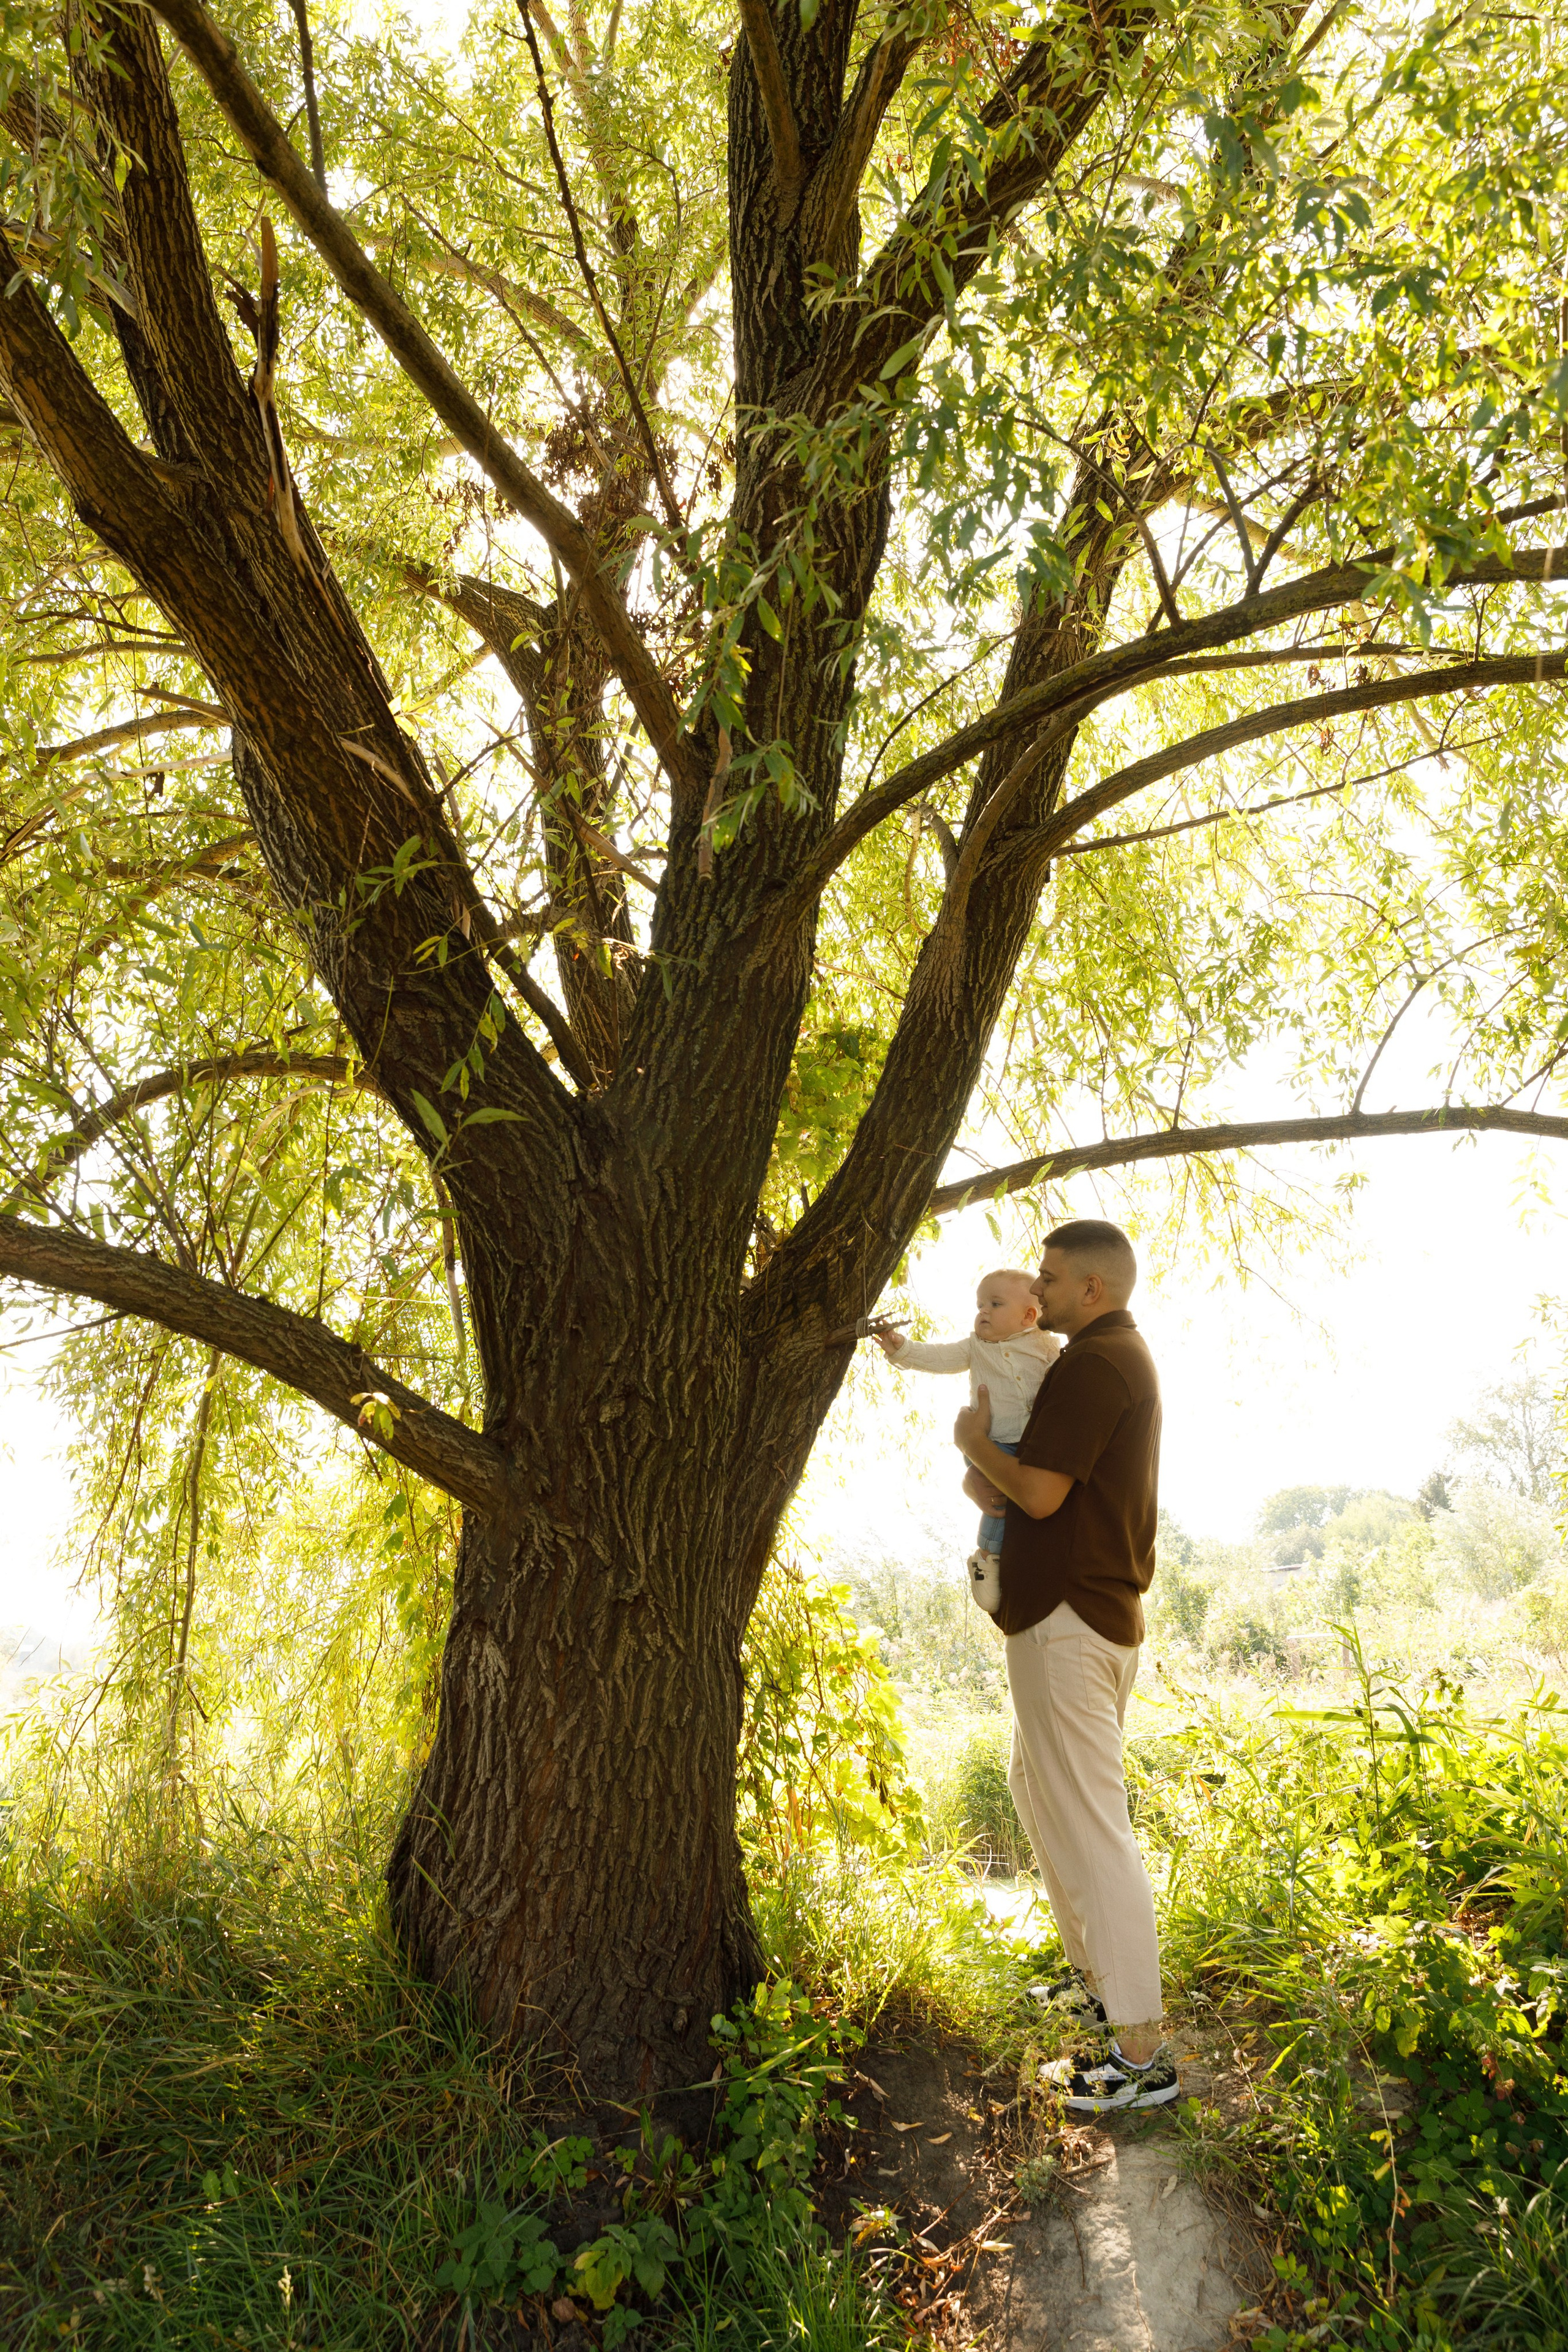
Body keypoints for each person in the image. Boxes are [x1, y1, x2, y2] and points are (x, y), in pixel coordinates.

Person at [952, 1218, 1173, 2114]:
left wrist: (973, 1441)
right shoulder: (1093, 1361)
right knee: (1042, 1793)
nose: (1033, 1294)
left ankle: (1141, 2056)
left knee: (1091, 1821)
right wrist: (990, 1466)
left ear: (1095, 1289)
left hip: (1072, 1619)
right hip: (1073, 1616)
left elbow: (1029, 1490)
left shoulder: (1093, 1363)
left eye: (1047, 1279)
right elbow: (1014, 1485)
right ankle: (1100, 1986)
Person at [874, 1272, 1060, 1611]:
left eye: (995, 1304)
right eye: (980, 1305)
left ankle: (1011, 1557)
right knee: (998, 1499)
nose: (983, 1312)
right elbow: (940, 1358)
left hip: (1035, 1443)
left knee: (1031, 1496)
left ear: (1029, 1316)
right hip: (994, 1444)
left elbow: (1062, 1379)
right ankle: (987, 1556)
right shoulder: (975, 1347)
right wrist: (903, 1350)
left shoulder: (1045, 1344)